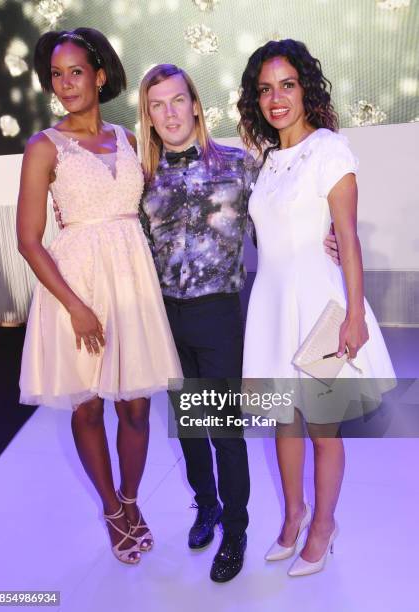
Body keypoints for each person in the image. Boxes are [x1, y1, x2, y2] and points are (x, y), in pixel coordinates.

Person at [137, 63, 340, 582]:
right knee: (190, 428)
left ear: (196, 104)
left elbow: (286, 209)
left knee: (226, 430)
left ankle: (237, 526)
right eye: (157, 105)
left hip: (221, 315)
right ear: (150, 117)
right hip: (167, 318)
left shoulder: (240, 167)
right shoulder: (143, 180)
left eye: (178, 100)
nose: (170, 113)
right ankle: (205, 506)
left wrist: (328, 234)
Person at [17, 28, 182, 565]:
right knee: (87, 407)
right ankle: (112, 509)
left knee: (136, 407)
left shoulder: (129, 139)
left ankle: (131, 498)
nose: (65, 84)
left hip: (132, 285)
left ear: (100, 75)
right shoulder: (43, 147)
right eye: (57, 75)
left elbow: (162, 207)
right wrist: (75, 306)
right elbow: (27, 239)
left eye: (76, 72)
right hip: (76, 288)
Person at [238, 39, 395, 576]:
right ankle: (293, 514)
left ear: (306, 87)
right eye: (265, 89)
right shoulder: (267, 160)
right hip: (272, 305)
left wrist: (354, 314)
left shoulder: (330, 148)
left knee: (322, 425)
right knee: (284, 419)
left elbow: (347, 239)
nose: (276, 98)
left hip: (322, 307)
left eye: (287, 85)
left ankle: (324, 526)